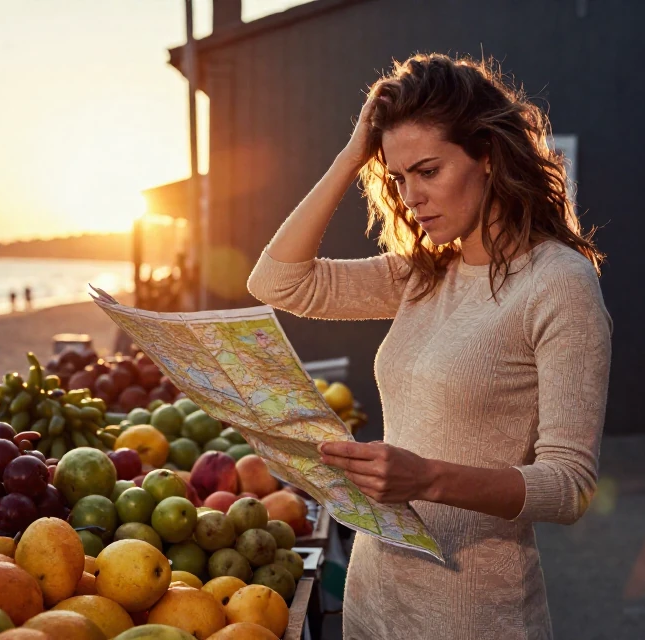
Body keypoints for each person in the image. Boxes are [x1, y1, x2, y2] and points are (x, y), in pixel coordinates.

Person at [246, 53, 612, 640]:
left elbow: (570, 486)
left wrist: (427, 480)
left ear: (487, 156)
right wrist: (350, 157)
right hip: (371, 601)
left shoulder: (559, 284)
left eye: (429, 170)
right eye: (397, 177)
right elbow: (277, 282)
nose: (411, 197)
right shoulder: (423, 272)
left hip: (472, 615)